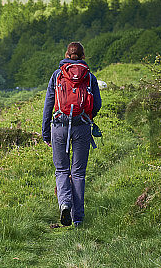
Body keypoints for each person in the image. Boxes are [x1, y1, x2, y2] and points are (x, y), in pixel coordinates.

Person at [41, 42, 101, 227]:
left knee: (61, 170)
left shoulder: (58, 75)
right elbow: (97, 104)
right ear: (83, 56)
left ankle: (65, 204)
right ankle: (78, 219)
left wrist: (46, 132)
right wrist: (86, 117)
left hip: (59, 126)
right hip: (81, 126)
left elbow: (49, 104)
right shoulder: (89, 77)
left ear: (66, 55)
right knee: (78, 173)